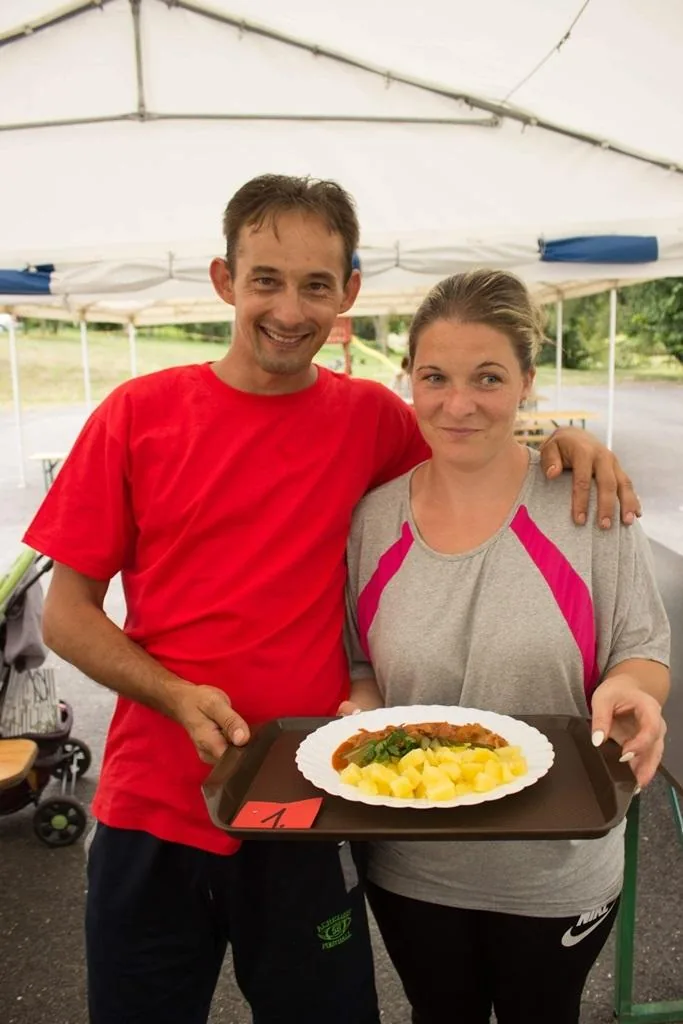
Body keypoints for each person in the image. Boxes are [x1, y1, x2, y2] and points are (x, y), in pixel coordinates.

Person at [23, 176, 640, 1024]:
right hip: (153, 805)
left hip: (311, 801)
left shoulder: (371, 421)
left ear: (347, 292)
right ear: (222, 279)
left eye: (316, 284)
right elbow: (66, 614)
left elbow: (466, 434)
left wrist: (566, 443)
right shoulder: (138, 414)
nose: (289, 307)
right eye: (265, 279)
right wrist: (172, 694)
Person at [343, 269, 670, 1024]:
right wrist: (355, 715)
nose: (458, 404)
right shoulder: (372, 521)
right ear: (409, 380)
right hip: (411, 863)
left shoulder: (587, 504)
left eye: (487, 377)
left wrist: (633, 692)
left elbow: (641, 648)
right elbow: (362, 664)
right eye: (434, 377)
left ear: (525, 380)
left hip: (557, 865)